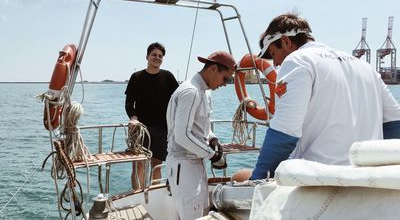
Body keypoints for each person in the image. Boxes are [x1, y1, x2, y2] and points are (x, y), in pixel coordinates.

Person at [249, 12, 400, 180]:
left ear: (285, 42)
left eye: (273, 54)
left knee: (241, 176)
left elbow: (284, 134)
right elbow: (395, 123)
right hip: (367, 180)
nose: (275, 63)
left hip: (322, 182)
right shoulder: (365, 67)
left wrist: (257, 181)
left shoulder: (298, 61)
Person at [165, 51, 236, 220]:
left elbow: (203, 125)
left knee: (202, 214)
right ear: (213, 69)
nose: (225, 84)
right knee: (192, 216)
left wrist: (212, 139)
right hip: (184, 166)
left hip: (195, 164)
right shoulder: (191, 91)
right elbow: (181, 135)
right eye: (225, 78)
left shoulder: (204, 91)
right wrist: (212, 155)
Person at [125, 42, 179, 189]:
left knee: (157, 165)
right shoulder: (136, 77)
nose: (157, 58)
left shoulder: (168, 77)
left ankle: (154, 195)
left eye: (160, 56)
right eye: (154, 55)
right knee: (139, 166)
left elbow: (179, 98)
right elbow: (129, 102)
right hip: (141, 129)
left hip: (162, 129)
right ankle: (138, 197)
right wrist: (133, 117)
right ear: (147, 56)